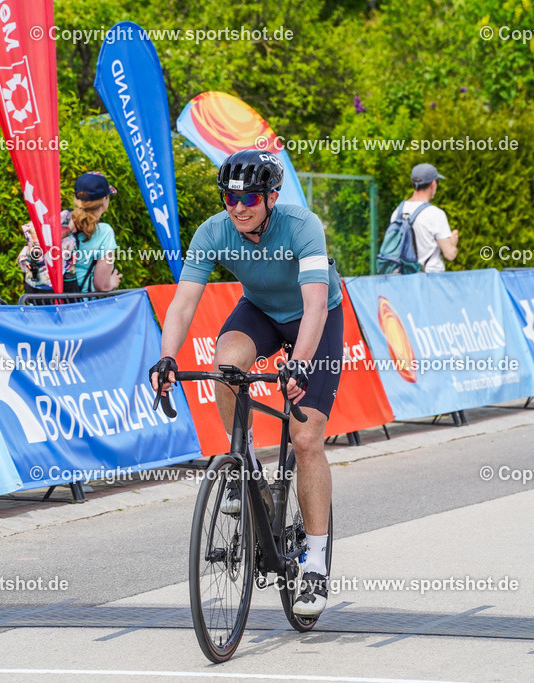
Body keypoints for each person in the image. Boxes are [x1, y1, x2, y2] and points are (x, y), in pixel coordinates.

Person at [150, 149, 344, 617]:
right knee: (225, 363)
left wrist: (298, 364)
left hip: (314, 319)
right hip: (259, 311)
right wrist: (166, 358)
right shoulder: (213, 232)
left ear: (272, 197)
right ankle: (243, 463)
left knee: (306, 439)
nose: (238, 206)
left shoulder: (301, 227)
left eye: (250, 197)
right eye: (230, 196)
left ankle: (314, 564)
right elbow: (182, 305)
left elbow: (315, 305)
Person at [392, 163, 458, 272]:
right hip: (430, 280)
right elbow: (450, 254)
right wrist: (453, 241)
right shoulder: (435, 214)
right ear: (433, 184)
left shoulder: (398, 211)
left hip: (404, 279)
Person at [70, 172, 122, 292]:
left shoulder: (63, 224)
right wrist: (112, 282)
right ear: (104, 199)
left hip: (45, 303)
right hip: (79, 306)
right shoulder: (104, 232)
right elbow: (101, 285)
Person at [18, 209, 76, 293]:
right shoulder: (69, 239)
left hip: (33, 285)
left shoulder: (35, 235)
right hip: (53, 287)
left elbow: (22, 259)